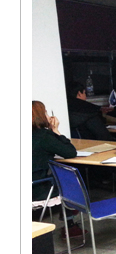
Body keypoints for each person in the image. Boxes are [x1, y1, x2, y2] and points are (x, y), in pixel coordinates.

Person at [32, 101, 82, 237]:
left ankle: (69, 214)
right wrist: (56, 131)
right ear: (40, 116)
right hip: (37, 189)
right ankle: (70, 225)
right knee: (69, 181)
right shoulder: (44, 136)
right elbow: (70, 152)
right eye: (46, 112)